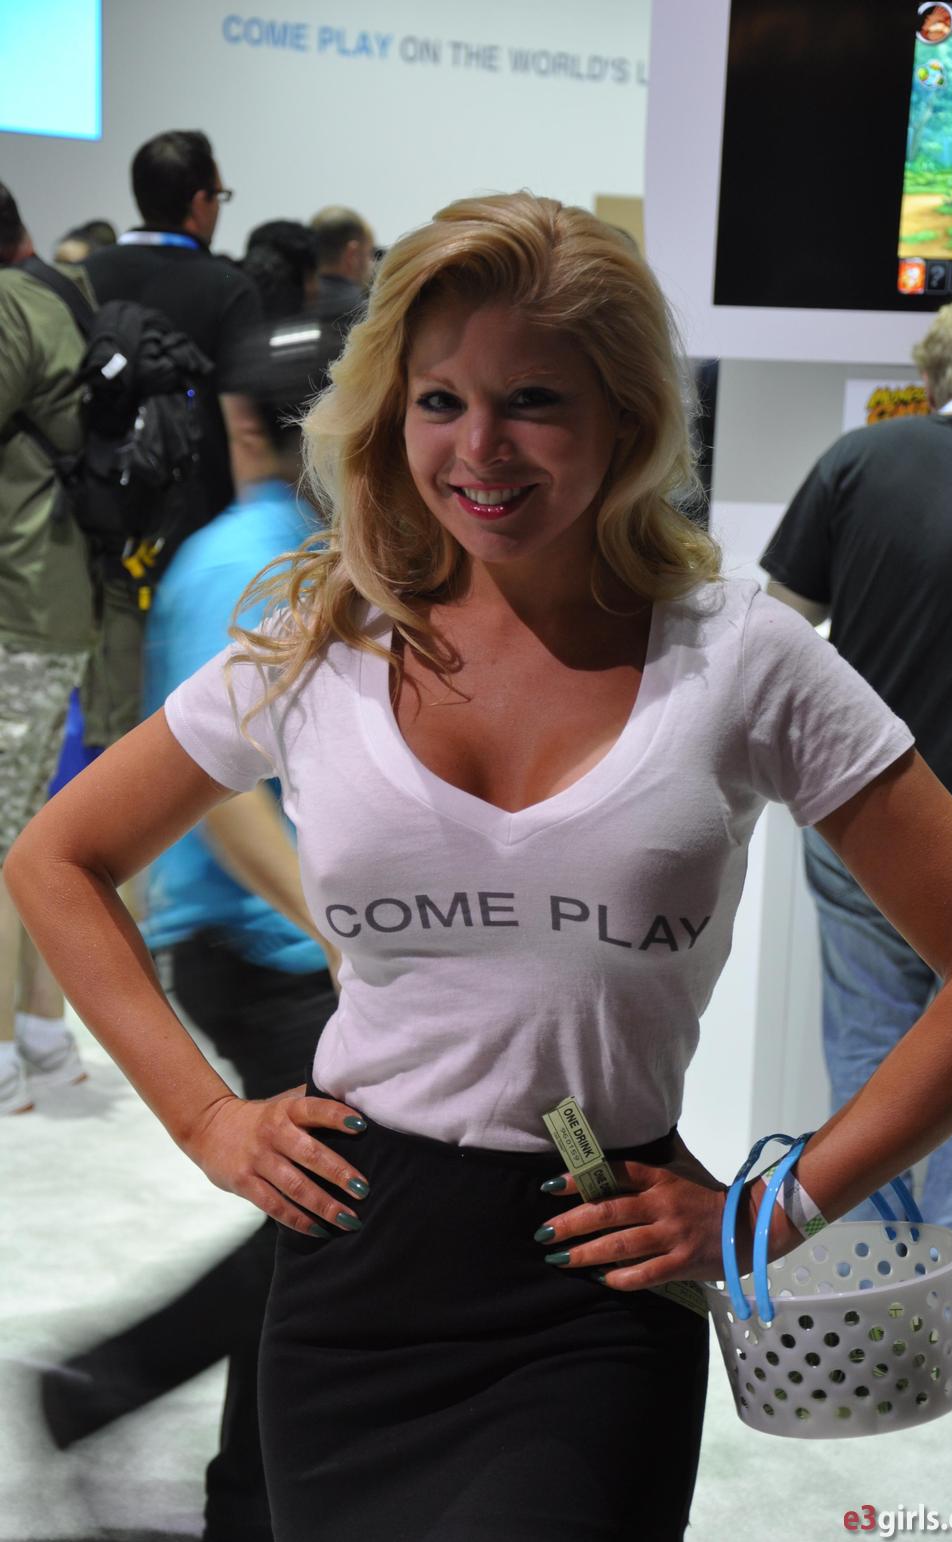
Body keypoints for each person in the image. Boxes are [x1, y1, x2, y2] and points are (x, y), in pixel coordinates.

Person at [5, 193, 952, 1542]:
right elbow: (59, 856)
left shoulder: (739, 658)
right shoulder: (323, 640)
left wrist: (779, 1207)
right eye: (440, 401)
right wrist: (206, 1119)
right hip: (350, 1272)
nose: (478, 448)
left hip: (593, 1281)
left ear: (626, 416)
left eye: (532, 400)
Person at [40, 317, 341, 1542]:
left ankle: (227, 1486)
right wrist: (345, 932)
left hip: (283, 948)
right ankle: (127, 1400)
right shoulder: (243, 570)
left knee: (321, 1224)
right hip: (264, 955)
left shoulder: (307, 551)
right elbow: (221, 799)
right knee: (332, 1216)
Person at [760, 291, 952, 1352]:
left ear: (931, 372)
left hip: (865, 812)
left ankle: (875, 1289)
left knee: (869, 1050)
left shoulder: (856, 460)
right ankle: (948, 1309)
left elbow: (779, 627)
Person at [82, 130, 261, 747]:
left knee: (109, 702)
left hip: (100, 520)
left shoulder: (86, 278)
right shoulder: (230, 286)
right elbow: (243, 415)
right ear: (199, 201)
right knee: (198, 714)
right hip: (197, 521)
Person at [0, 181, 94, 1116]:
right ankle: (41, 1034)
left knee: (7, 834)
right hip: (60, 595)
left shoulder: (7, 307)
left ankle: (3, 1056)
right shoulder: (63, 295)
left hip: (16, 600)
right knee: (31, 824)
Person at [308, 203, 373, 335]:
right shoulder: (368, 315)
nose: (371, 262)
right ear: (351, 255)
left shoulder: (289, 308)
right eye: (369, 253)